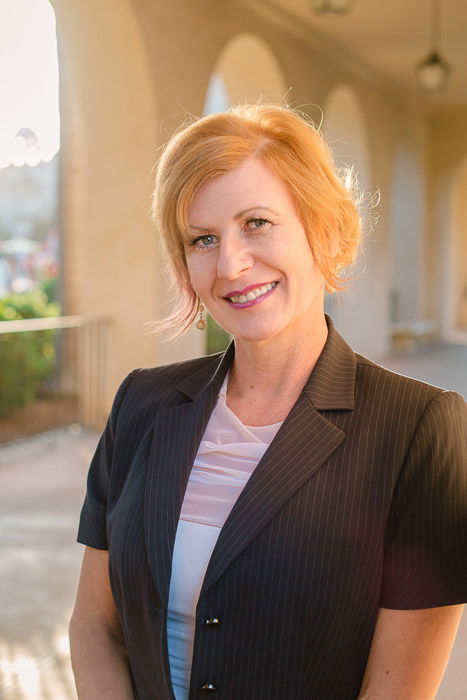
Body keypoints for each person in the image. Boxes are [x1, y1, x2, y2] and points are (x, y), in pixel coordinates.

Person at [69, 104, 467, 700]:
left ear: (321, 227)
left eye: (256, 223)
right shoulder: (142, 405)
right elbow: (95, 628)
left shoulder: (419, 430)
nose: (231, 264)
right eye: (203, 239)